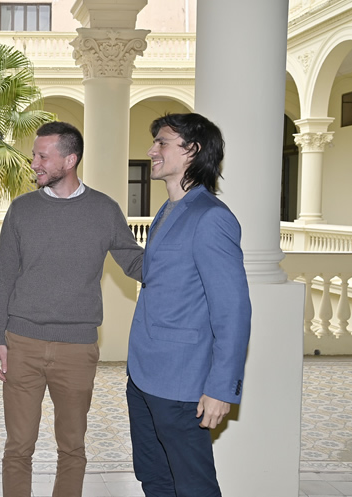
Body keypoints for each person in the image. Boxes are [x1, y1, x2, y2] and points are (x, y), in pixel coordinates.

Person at [0, 121, 144, 497]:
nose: (34, 162)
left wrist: (188, 259)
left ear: (70, 159)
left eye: (43, 156)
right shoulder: (22, 210)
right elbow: (2, 278)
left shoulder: (104, 210)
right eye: (34, 154)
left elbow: (136, 264)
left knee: (72, 447)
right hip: (21, 343)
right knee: (18, 448)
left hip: (77, 349)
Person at [126, 113, 251, 497]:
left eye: (162, 142)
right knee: (154, 476)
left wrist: (221, 389)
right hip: (144, 376)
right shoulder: (167, 210)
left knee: (193, 485)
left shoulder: (211, 217)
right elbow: (159, 277)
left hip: (182, 385)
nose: (152, 151)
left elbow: (233, 310)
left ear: (192, 151)